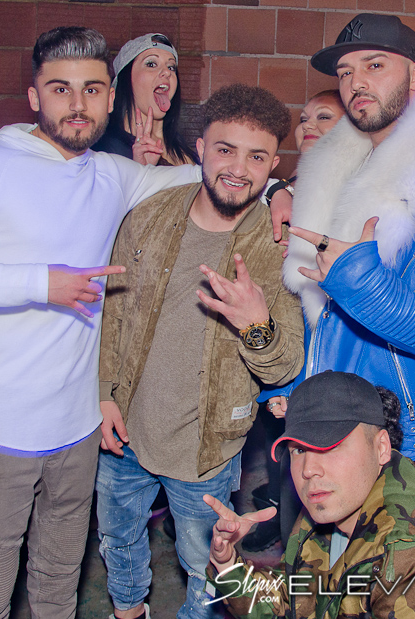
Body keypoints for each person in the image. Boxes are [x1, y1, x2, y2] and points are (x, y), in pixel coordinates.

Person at [0, 26, 201, 619]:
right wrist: (40, 282)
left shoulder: (113, 175)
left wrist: (277, 193)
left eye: (92, 90)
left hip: (78, 430)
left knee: (58, 589)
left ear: (111, 98)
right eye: (61, 89)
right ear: (34, 97)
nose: (77, 105)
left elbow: (201, 180)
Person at [95, 83, 304, 619]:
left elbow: (285, 364)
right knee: (118, 540)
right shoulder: (148, 216)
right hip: (127, 431)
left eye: (256, 156)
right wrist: (104, 393)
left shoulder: (277, 247)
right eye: (225, 149)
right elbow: (114, 313)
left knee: (205, 564)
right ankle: (128, 612)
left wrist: (257, 325)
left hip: (206, 448)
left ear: (273, 165)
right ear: (201, 148)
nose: (238, 168)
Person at [276, 13, 415, 465]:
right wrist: (290, 383)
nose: (356, 83)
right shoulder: (335, 171)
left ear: (414, 76)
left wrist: (362, 283)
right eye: (345, 72)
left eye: (375, 65)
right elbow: (316, 311)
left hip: (388, 434)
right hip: (315, 414)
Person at [204, 371, 415, 618]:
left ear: (381, 447)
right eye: (299, 449)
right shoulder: (334, 501)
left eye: (330, 446)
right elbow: (298, 598)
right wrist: (228, 565)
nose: (309, 469)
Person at [242, 88, 347, 553]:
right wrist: (277, 189)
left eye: (324, 117)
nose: (308, 125)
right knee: (282, 453)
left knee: (323, 464)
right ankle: (283, 524)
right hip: (282, 346)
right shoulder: (290, 187)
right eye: (304, 118)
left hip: (335, 355)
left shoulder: (358, 190)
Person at [93, 32, 199, 166]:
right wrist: (140, 171)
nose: (167, 72)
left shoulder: (183, 149)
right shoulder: (107, 151)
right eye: (151, 64)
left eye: (171, 67)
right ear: (125, 78)